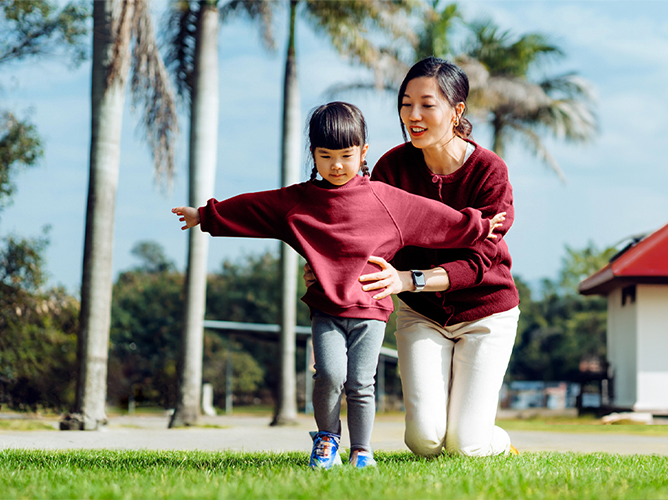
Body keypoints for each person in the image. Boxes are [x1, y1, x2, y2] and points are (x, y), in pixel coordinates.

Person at [172, 101, 505, 469]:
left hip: (371, 310)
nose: (336, 165)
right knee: (329, 375)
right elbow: (255, 208)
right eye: (325, 156)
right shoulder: (299, 201)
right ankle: (327, 439)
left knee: (361, 382)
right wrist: (205, 215)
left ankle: (362, 450)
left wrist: (477, 226)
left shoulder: (386, 198)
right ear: (313, 154)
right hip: (326, 309)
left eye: (346, 155)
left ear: (363, 152)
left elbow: (433, 218)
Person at [307, 57, 520, 457]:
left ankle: (497, 440)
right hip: (423, 316)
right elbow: (361, 232)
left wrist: (407, 280)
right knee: (424, 441)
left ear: (457, 111)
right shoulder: (393, 167)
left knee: (467, 445)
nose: (413, 116)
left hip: (486, 315)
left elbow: (479, 264)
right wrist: (326, 268)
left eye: (427, 104)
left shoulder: (490, 172)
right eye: (406, 104)